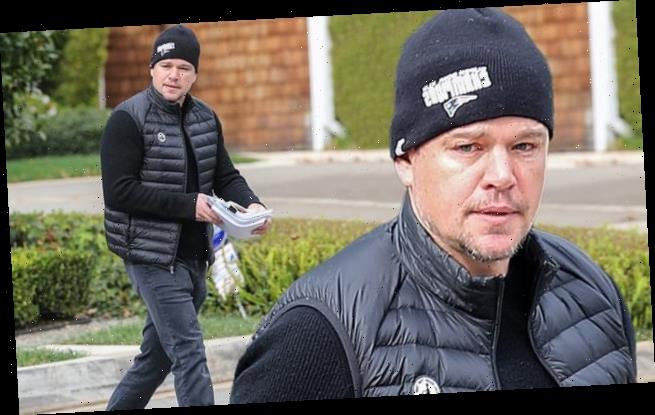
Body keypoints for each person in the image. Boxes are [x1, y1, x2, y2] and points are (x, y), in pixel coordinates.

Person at [229, 8, 636, 402]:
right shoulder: (317, 334)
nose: (502, 175)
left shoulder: (592, 296)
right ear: (405, 161)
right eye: (468, 147)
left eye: (525, 146)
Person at [100, 24, 270, 409]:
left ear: (194, 74)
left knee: (156, 358)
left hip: (194, 255)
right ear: (152, 69)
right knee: (189, 353)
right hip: (151, 256)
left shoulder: (205, 118)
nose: (173, 75)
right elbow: (119, 192)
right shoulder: (127, 119)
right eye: (166, 66)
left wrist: (253, 205)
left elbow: (224, 176)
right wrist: (188, 205)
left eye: (183, 68)